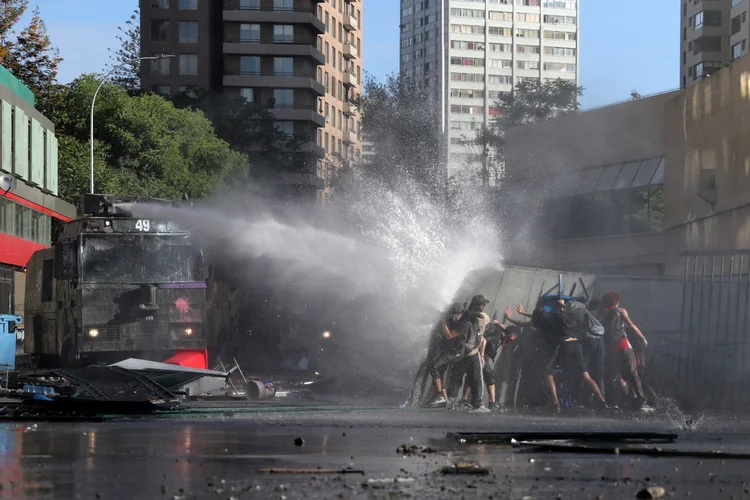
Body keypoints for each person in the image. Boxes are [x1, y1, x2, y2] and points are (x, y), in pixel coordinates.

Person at [506, 301, 607, 412]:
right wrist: (524, 313)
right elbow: (536, 318)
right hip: (576, 344)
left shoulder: (543, 323)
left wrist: (510, 319)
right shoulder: (557, 316)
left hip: (565, 345)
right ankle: (601, 400)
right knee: (587, 377)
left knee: (548, 374)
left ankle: (555, 402)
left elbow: (524, 324)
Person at [597, 291, 649, 410]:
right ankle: (640, 397)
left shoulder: (601, 313)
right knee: (633, 373)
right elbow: (631, 325)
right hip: (623, 345)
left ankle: (624, 398)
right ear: (617, 301)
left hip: (610, 348)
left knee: (615, 375)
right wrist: (642, 337)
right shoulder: (621, 311)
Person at [446, 295, 492, 413]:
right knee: (476, 378)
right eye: (483, 305)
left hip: (461, 353)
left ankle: (451, 403)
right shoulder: (473, 319)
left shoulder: (466, 316)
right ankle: (477, 405)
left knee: (456, 379)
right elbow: (451, 335)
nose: (484, 307)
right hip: (471, 353)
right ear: (480, 306)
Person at [425, 303, 467, 406]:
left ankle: (439, 395)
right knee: (439, 372)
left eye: (457, 314)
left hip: (456, 353)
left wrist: (443, 320)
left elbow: (448, 336)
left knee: (434, 367)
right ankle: (444, 399)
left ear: (462, 313)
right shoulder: (453, 320)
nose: (455, 316)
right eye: (453, 314)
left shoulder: (463, 323)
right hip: (449, 351)